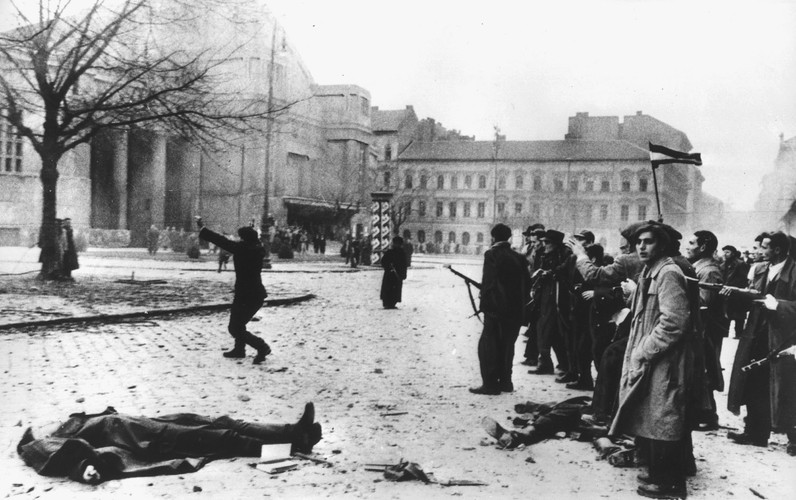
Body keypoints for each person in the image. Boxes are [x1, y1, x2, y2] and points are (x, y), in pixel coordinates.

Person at [18, 403, 322, 484]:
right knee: (226, 440)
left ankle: (294, 431)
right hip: (151, 440)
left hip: (152, 423)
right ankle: (293, 448)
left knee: (223, 423)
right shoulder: (47, 442)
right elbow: (77, 460)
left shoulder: (70, 424)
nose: (47, 423)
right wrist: (86, 468)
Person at [610, 223, 693, 499]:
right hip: (653, 358)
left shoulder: (668, 273)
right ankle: (652, 474)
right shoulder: (651, 271)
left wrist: (644, 349)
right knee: (650, 414)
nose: (641, 247)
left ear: (663, 245)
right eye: (639, 242)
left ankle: (667, 484)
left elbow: (674, 321)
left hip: (664, 359)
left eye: (648, 242)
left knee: (663, 417)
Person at [724, 231, 796, 456]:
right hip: (757, 334)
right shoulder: (761, 269)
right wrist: (736, 294)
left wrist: (780, 306)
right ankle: (756, 432)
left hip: (785, 338)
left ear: (777, 250)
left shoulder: (794, 271)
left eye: (764, 247)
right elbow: (755, 295)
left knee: (788, 388)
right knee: (754, 381)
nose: (759, 251)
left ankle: (794, 439)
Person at [196, 217, 271, 364]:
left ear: (245, 239)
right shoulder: (256, 248)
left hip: (247, 295)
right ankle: (239, 350)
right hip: (254, 294)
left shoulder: (243, 249)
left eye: (241, 238)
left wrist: (203, 229)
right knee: (239, 324)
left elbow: (221, 241)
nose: (239, 240)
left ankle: (262, 347)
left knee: (235, 328)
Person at [470, 223, 530, 395]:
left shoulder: (492, 254)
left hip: (496, 309)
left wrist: (485, 305)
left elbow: (489, 283)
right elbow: (527, 282)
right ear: (509, 237)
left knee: (489, 345)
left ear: (493, 237)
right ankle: (505, 382)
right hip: (515, 310)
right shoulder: (518, 257)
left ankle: (490, 384)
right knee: (507, 345)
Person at [685, 230, 728, 430]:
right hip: (702, 328)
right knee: (698, 370)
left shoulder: (709, 270)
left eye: (692, 243)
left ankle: (708, 415)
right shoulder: (699, 267)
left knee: (705, 371)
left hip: (707, 329)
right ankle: (701, 413)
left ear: (703, 247)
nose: (688, 246)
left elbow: (704, 302)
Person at [529, 229, 573, 377]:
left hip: (560, 297)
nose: (544, 244)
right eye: (543, 242)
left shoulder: (565, 253)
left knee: (558, 331)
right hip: (546, 295)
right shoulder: (546, 253)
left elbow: (566, 269)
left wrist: (552, 273)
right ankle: (546, 363)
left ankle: (565, 365)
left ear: (555, 243)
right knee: (544, 329)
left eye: (547, 242)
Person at [720, 245, 750, 338]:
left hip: (737, 296)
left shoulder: (741, 264)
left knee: (739, 319)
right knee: (726, 318)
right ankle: (725, 336)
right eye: (724, 252)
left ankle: (739, 337)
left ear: (733, 253)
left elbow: (744, 279)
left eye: (727, 252)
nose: (725, 254)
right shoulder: (722, 265)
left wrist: (735, 287)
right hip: (726, 296)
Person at [380, 236, 408, 309]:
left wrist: (403, 274)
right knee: (388, 288)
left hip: (397, 275)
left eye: (398, 244)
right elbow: (383, 261)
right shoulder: (390, 252)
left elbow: (404, 265)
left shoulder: (402, 253)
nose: (396, 245)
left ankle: (392, 303)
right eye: (395, 243)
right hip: (389, 274)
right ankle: (386, 302)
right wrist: (388, 266)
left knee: (395, 289)